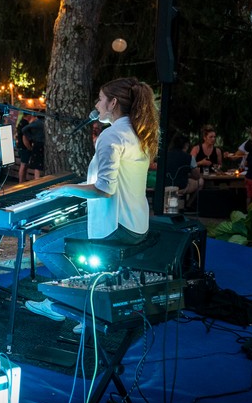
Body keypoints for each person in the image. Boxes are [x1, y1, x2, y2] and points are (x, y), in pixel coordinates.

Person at [26, 77, 159, 325]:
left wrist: (64, 189)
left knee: (44, 246)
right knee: (68, 239)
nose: (96, 105)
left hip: (116, 225)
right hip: (137, 224)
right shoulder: (138, 131)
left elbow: (104, 190)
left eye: (100, 99)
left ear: (113, 103)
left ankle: (72, 305)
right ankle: (83, 304)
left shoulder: (111, 136)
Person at [165, 134, 202, 208]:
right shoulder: (189, 157)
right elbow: (196, 176)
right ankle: (189, 204)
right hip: (181, 186)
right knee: (201, 181)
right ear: (186, 145)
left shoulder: (165, 156)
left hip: (165, 185)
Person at [22, 115, 45, 179]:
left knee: (37, 164)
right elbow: (24, 129)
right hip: (39, 144)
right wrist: (30, 137)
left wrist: (30, 137)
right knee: (37, 165)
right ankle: (37, 179)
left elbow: (24, 129)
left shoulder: (37, 123)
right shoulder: (38, 123)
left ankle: (37, 179)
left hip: (38, 144)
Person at [15, 116, 30, 182]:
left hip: (20, 146)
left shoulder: (20, 123)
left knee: (24, 165)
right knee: (23, 165)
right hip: (24, 147)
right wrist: (29, 147)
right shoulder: (25, 124)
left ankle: (22, 181)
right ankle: (21, 182)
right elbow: (24, 137)